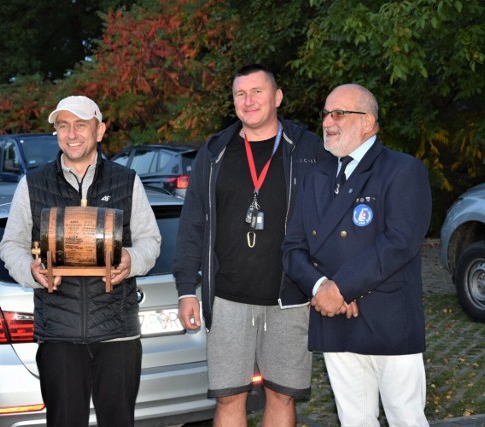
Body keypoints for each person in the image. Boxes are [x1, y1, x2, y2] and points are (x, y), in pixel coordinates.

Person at [173, 64, 330, 426]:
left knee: (282, 396)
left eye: (257, 91)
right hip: (227, 298)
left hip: (290, 296)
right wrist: (185, 289)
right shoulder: (214, 153)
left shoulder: (307, 149)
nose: (249, 101)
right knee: (229, 399)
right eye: (240, 94)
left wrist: (324, 282)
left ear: (277, 97)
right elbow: (192, 222)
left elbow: (330, 219)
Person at [0, 95, 161, 427]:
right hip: (59, 335)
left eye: (81, 125)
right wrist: (30, 271)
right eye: (63, 126)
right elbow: (10, 245)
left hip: (118, 334)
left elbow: (151, 241)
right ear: (56, 132)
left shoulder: (126, 181)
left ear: (99, 131)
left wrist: (132, 258)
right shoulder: (31, 184)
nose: (72, 134)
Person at [282, 83, 432, 426]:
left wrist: (342, 288)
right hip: (335, 318)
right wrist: (322, 288)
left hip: (388, 318)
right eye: (325, 114)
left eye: (339, 113)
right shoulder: (314, 177)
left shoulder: (402, 170)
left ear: (368, 121)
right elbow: (293, 247)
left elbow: (399, 243)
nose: (327, 122)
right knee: (353, 419)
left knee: (405, 417)